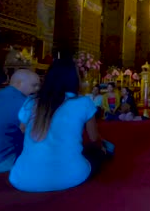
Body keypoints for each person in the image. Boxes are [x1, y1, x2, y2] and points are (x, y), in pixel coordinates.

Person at [9, 58, 109, 192]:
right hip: (71, 176)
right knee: (98, 151)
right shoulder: (83, 102)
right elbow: (93, 138)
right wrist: (102, 146)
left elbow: (22, 130)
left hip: (22, 179)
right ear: (74, 79)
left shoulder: (32, 101)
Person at [0, 69, 40, 174]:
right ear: (19, 83)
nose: (37, 89)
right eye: (34, 85)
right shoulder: (26, 104)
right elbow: (34, 135)